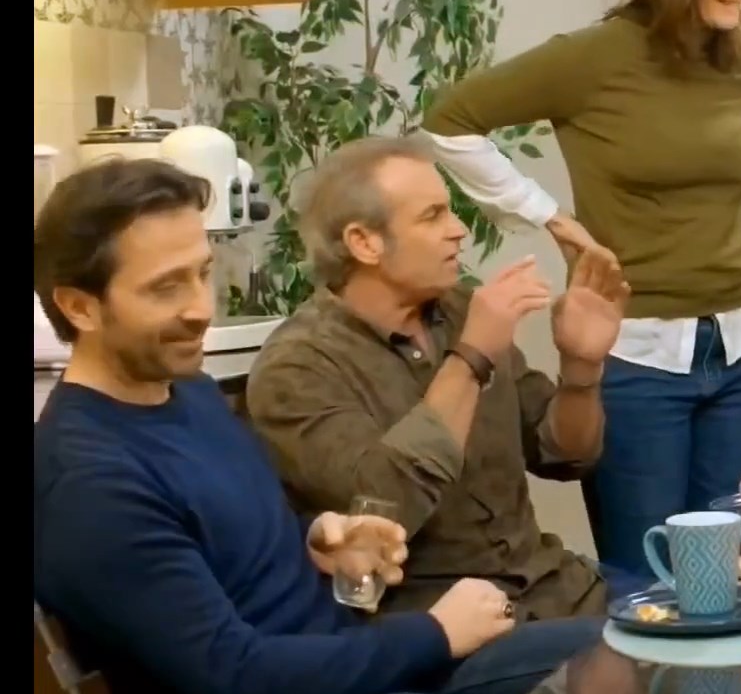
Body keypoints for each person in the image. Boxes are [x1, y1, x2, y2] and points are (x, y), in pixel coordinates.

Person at [32, 159, 679, 694]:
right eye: (165, 287)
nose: (200, 307)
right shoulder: (89, 483)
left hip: (340, 687)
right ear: (80, 307)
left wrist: (321, 538)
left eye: (202, 273)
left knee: (635, 668)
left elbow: (219, 540)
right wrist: (433, 635)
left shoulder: (179, 393)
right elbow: (238, 681)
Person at [419, 0, 741, 579]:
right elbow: (449, 122)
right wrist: (546, 214)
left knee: (729, 575)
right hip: (637, 356)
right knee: (647, 583)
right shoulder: (595, 57)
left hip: (736, 347)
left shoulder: (733, 61)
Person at [248, 137, 630, 620]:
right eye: (432, 217)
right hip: (443, 620)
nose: (459, 231)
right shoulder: (297, 368)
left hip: (556, 587)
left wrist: (581, 368)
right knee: (640, 654)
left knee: (706, 619)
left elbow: (565, 455)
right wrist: (471, 358)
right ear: (364, 242)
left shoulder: (460, 311)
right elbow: (385, 504)